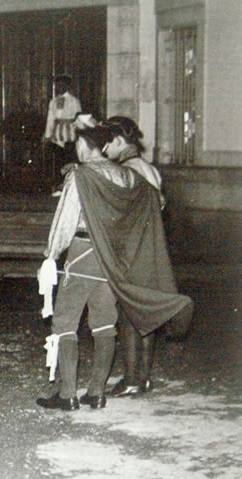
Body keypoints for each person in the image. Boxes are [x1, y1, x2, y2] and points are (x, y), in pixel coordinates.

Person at [36, 121, 192, 411]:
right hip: (112, 259)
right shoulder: (126, 175)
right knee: (104, 323)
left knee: (65, 322)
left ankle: (67, 393)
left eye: (77, 145)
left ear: (84, 146)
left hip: (83, 253)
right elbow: (154, 199)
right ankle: (96, 392)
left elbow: (65, 221)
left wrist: (50, 256)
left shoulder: (80, 176)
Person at [100, 116, 165, 397]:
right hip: (152, 249)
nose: (104, 150)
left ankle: (131, 379)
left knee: (128, 315)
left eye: (106, 143)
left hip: (131, 251)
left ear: (118, 141)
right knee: (147, 315)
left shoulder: (126, 172)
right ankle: (144, 377)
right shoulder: (150, 170)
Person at [43, 74, 83, 186]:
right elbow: (50, 119)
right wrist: (48, 135)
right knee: (58, 160)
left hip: (69, 134)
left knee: (69, 159)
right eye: (57, 85)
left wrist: (78, 133)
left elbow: (78, 118)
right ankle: (58, 184)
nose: (59, 88)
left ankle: (69, 184)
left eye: (61, 85)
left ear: (67, 86)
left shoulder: (74, 101)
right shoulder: (53, 101)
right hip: (57, 135)